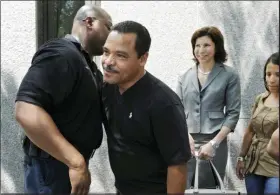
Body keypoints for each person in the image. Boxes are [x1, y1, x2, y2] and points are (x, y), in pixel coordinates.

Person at [14, 5, 112, 194]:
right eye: (109, 26)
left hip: (64, 166)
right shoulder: (62, 53)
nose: (112, 34)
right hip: (52, 168)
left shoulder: (87, 65)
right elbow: (25, 110)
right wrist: (75, 163)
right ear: (89, 22)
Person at [101, 21, 192, 194]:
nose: (108, 62)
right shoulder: (106, 89)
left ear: (143, 58)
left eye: (121, 55)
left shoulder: (163, 103)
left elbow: (177, 166)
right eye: (106, 52)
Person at [176, 26, 241, 189]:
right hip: (186, 140)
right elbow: (176, 110)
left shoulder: (229, 75)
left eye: (206, 45)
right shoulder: (184, 76)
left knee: (207, 188)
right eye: (197, 46)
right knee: (182, 187)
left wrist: (214, 143)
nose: (201, 50)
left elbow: (233, 114)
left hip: (215, 140)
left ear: (216, 47)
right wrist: (185, 136)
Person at [236, 52, 279, 194]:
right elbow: (250, 131)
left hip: (275, 164)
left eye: (277, 75)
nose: (271, 79)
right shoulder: (260, 98)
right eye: (268, 74)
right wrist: (241, 157)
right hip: (254, 162)